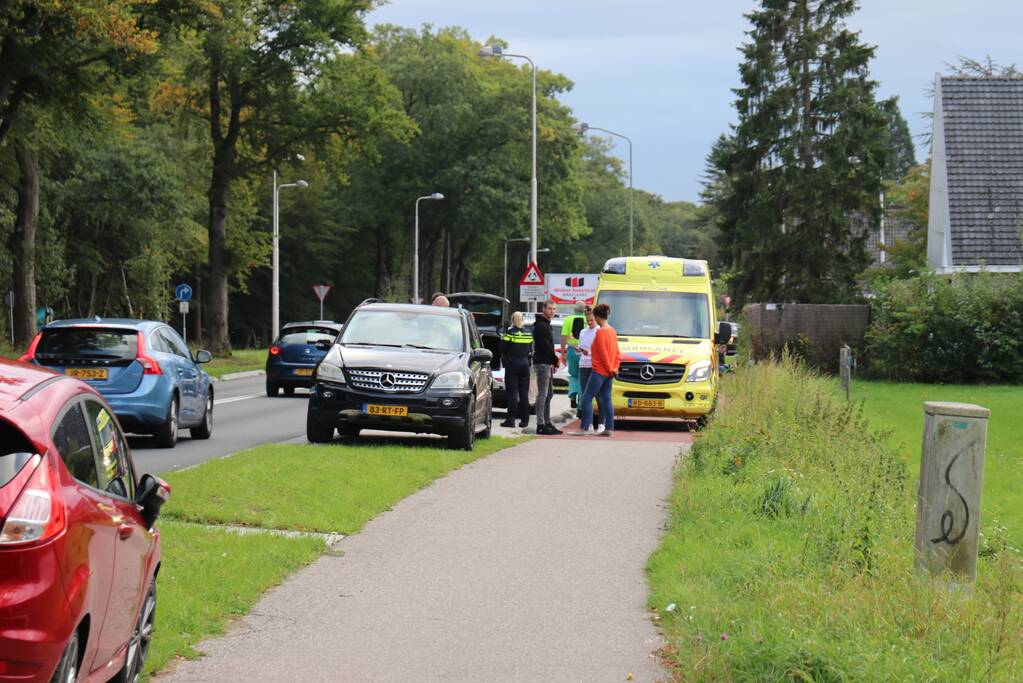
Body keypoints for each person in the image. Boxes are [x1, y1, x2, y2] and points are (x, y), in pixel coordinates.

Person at [575, 303, 620, 437]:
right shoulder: (612, 331)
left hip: (600, 370)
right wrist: (614, 368)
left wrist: (609, 368)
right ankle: (609, 428)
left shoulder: (600, 333)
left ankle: (584, 428)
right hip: (610, 371)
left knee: (587, 397)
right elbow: (617, 353)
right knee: (606, 398)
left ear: (597, 316)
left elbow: (602, 354)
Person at [532, 300, 561, 435]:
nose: (552, 311)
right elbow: (545, 346)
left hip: (546, 362)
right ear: (543, 309)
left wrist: (553, 361)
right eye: (549, 308)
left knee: (549, 394)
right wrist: (555, 359)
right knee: (543, 394)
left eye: (554, 309)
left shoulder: (546, 324)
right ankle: (540, 424)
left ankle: (547, 422)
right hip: (542, 363)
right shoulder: (541, 325)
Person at [499, 311, 532, 428]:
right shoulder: (528, 333)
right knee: (524, 393)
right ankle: (525, 420)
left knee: (512, 392)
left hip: (513, 364)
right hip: (525, 365)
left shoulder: (510, 333)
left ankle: (511, 420)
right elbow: (530, 349)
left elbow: (502, 348)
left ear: (512, 320)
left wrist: (507, 360)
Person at [560, 302, 586, 408]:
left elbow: (563, 336)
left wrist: (563, 353)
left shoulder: (568, 319)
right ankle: (580, 405)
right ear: (584, 310)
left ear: (574, 310)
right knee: (583, 377)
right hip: (584, 352)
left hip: (571, 350)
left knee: (573, 375)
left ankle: (572, 394)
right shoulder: (588, 320)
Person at [575, 306, 598, 423]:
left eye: (591, 320)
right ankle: (586, 422)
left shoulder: (599, 331)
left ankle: (599, 422)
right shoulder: (583, 332)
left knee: (597, 395)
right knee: (585, 395)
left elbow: (599, 352)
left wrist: (587, 352)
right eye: (587, 320)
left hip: (594, 366)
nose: (589, 323)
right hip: (584, 365)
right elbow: (580, 347)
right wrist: (578, 350)